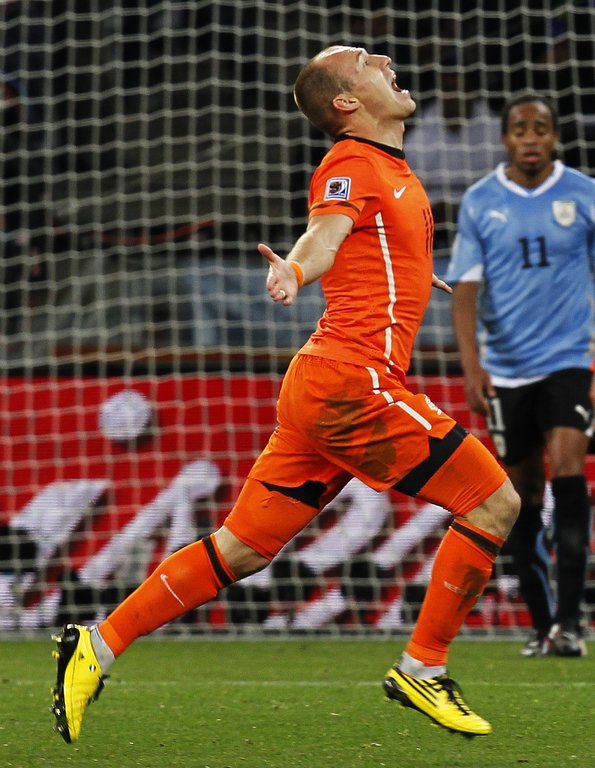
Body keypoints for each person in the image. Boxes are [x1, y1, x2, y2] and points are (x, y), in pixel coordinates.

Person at [51, 45, 519, 744]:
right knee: (493, 502)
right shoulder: (350, 163)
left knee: (242, 547)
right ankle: (423, 666)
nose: (383, 56)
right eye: (364, 60)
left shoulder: (391, 170)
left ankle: (98, 644)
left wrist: (413, 269)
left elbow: (365, 244)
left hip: (321, 390)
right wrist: (296, 272)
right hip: (352, 383)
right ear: (346, 103)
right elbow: (324, 234)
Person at [447, 94, 595, 658]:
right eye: (520, 129)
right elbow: (465, 288)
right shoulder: (482, 200)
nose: (530, 138)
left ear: (555, 137)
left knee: (568, 468)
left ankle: (571, 623)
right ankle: (541, 624)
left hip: (569, 360)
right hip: (507, 370)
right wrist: (472, 366)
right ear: (505, 138)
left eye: (540, 128)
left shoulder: (584, 194)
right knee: (522, 493)